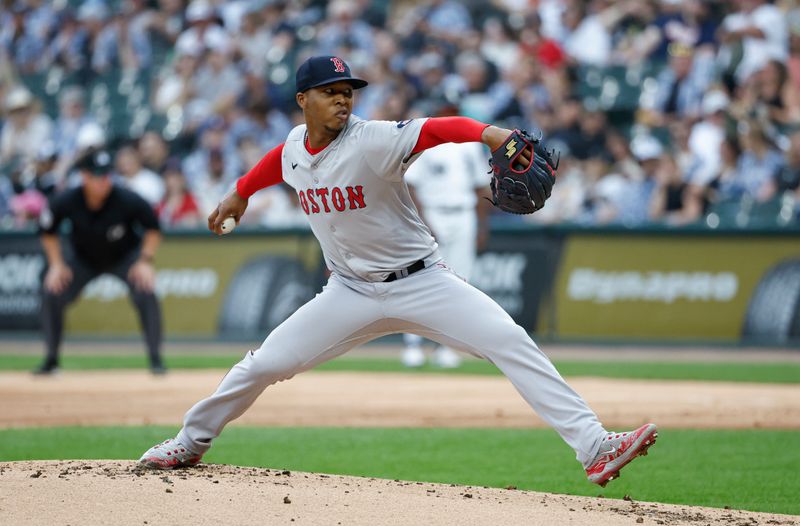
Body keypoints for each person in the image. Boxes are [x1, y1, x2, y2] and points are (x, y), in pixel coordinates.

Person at [139, 56, 657, 487]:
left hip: (422, 281)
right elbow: (279, 160)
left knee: (509, 339)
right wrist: (239, 192)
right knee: (263, 364)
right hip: (347, 293)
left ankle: (593, 445)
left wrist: (492, 135)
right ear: (303, 101)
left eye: (348, 91)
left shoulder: (374, 139)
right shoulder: (297, 146)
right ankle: (190, 441)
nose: (343, 99)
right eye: (329, 91)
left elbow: (435, 130)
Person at [35, 148, 166, 375]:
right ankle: (51, 360)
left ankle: (156, 360)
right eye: (97, 175)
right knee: (52, 292)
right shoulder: (68, 199)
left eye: (107, 175)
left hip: (124, 257)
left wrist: (145, 260)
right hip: (83, 259)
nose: (103, 181)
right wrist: (56, 264)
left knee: (146, 290)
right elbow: (47, 229)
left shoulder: (126, 198)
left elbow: (153, 227)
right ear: (85, 176)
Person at [400, 103, 490, 368]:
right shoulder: (425, 143)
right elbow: (411, 185)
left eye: (452, 107)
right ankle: (413, 345)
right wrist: (423, 221)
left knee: (460, 284)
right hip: (433, 212)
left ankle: (446, 347)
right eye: (444, 108)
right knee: (419, 283)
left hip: (463, 214)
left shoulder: (470, 144)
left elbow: (480, 187)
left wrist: (482, 225)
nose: (448, 111)